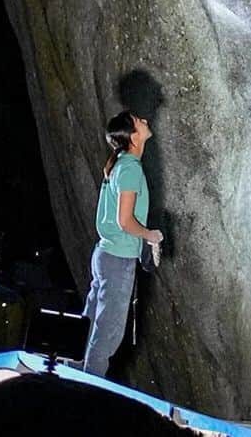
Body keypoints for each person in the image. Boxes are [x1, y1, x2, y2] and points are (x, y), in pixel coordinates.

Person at [82, 110, 163, 376]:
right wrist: (150, 235)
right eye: (139, 121)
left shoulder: (119, 164)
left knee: (91, 324)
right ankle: (86, 392)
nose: (145, 121)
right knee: (108, 335)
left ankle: (72, 375)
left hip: (105, 253)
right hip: (117, 258)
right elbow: (125, 221)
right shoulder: (129, 168)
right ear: (132, 136)